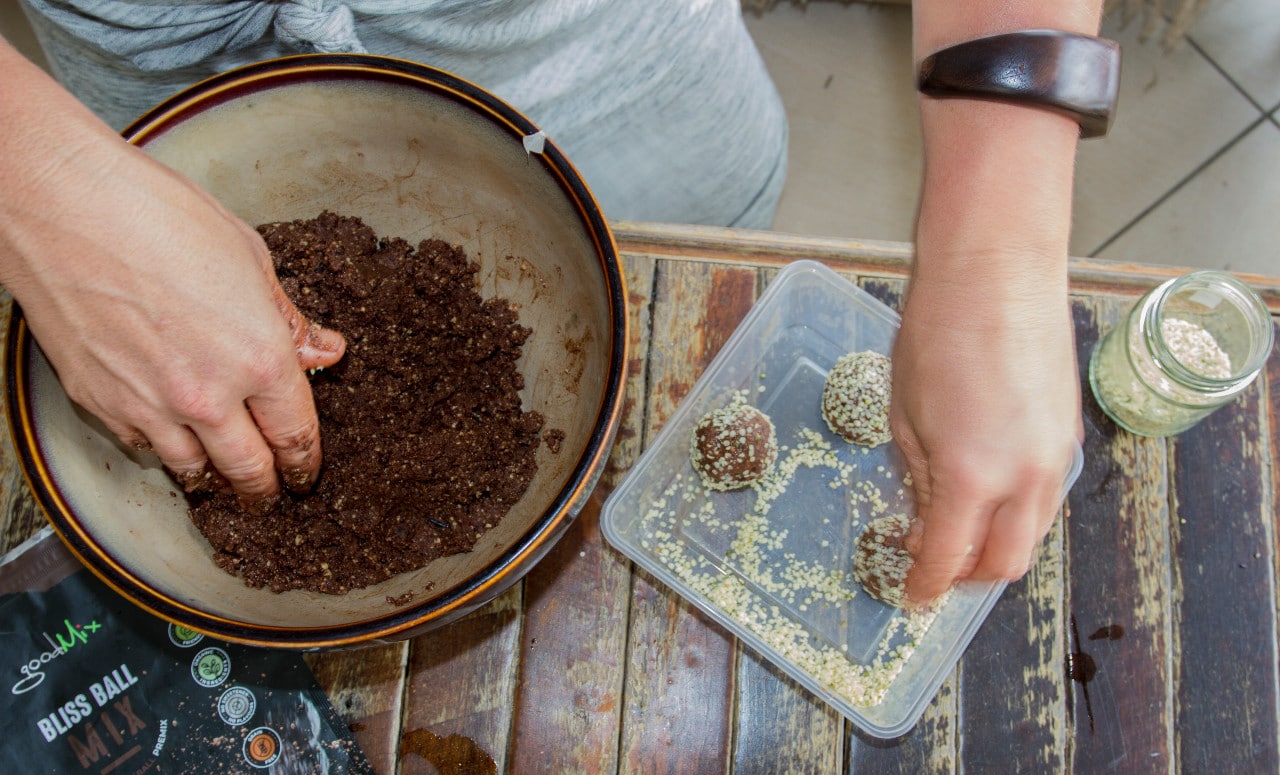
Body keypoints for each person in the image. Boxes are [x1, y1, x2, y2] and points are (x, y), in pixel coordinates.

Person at [0, 0, 1097, 603]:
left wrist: (996, 247)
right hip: (150, 149)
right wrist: (47, 191)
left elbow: (996, 231)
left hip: (609, 74)